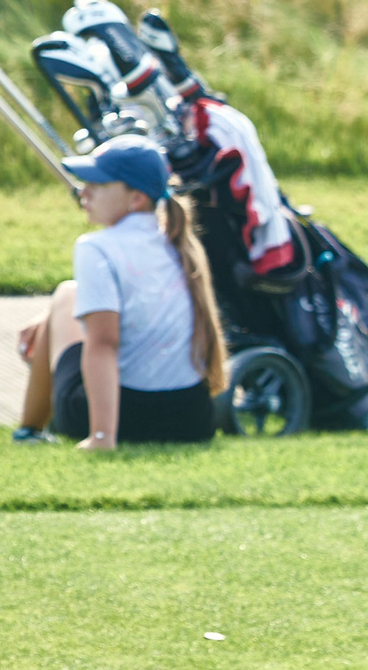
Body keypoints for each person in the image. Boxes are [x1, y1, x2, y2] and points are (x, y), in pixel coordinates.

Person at [12, 138, 228, 449]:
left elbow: (104, 343)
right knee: (68, 303)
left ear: (136, 198)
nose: (82, 191)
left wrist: (102, 437)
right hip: (191, 418)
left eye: (97, 184)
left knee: (65, 295)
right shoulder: (177, 244)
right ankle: (34, 429)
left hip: (120, 417)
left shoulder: (96, 247)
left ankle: (29, 432)